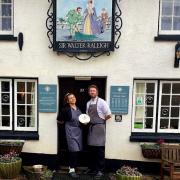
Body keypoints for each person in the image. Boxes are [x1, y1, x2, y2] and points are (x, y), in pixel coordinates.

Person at [85, 85, 111, 179]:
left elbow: (109, 114)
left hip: (99, 128)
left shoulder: (102, 102)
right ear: (89, 92)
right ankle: (92, 168)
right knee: (92, 150)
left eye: (94, 91)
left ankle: (100, 170)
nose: (92, 92)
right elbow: (87, 116)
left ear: (97, 92)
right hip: (91, 127)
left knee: (99, 150)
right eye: (90, 91)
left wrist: (102, 121)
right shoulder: (88, 103)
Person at [57, 93, 82, 179]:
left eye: (73, 97)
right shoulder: (65, 109)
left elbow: (82, 119)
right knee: (73, 150)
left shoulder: (78, 108)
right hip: (70, 131)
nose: (73, 99)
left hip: (78, 131)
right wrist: (65, 124)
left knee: (77, 150)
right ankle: (71, 169)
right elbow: (59, 120)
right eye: (70, 98)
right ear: (67, 101)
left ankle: (73, 166)